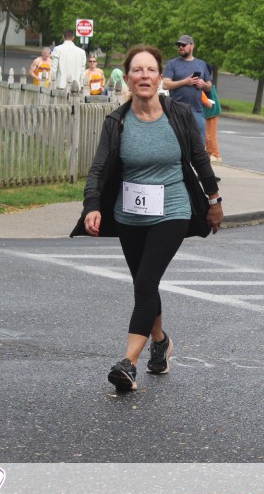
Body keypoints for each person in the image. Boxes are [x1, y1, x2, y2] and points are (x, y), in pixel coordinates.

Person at [71, 44, 223, 392]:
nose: (144, 76)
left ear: (160, 78)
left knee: (146, 280)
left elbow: (200, 159)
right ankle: (160, 341)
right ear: (127, 79)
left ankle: (129, 363)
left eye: (151, 70)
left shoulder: (178, 115)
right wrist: (92, 205)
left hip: (172, 209)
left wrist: (214, 200)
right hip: (130, 214)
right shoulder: (117, 121)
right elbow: (98, 168)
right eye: (137, 70)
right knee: (144, 282)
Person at [162, 34, 212, 144]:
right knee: (178, 145)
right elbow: (165, 84)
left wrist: (203, 84)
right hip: (177, 111)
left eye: (184, 45)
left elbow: (209, 86)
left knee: (199, 146)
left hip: (197, 111)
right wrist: (185, 82)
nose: (181, 47)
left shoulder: (201, 64)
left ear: (192, 46)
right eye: (179, 45)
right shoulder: (172, 64)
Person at [203, 82, 222, 162]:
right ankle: (209, 152)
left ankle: (215, 154)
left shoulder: (206, 83)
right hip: (207, 110)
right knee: (207, 134)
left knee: (211, 134)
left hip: (212, 110)